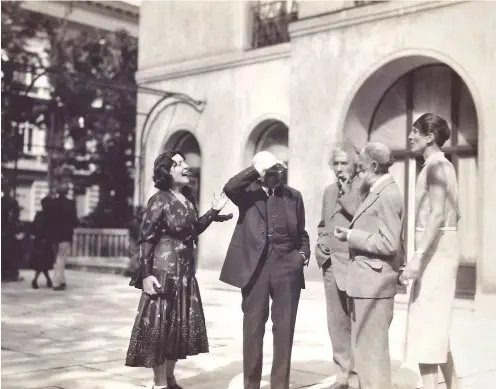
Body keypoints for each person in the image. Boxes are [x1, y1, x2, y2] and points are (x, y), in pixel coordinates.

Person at [125, 151, 231, 389]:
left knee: (176, 328)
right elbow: (146, 238)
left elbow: (192, 231)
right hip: (163, 272)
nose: (185, 166)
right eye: (178, 163)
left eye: (184, 162)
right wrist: (146, 274)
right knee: (161, 328)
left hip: (185, 273)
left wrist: (213, 212)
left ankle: (170, 378)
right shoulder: (159, 200)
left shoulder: (187, 197)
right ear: (167, 171)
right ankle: (159, 383)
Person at [220, 151, 311, 389]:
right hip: (255, 269)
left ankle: (280, 385)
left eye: (280, 169)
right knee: (253, 329)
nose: (277, 175)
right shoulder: (247, 195)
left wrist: (301, 256)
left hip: (287, 267)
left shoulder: (294, 196)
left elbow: (302, 233)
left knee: (284, 330)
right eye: (271, 171)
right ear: (261, 174)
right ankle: (252, 385)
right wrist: (256, 169)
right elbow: (229, 187)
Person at [334, 142, 405, 389]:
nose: (359, 174)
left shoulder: (387, 194)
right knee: (365, 357)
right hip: (366, 285)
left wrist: (352, 237)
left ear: (374, 166)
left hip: (374, 286)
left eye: (362, 169)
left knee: (373, 359)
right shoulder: (376, 190)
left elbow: (389, 243)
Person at [400, 113, 461, 389]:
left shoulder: (436, 167)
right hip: (442, 251)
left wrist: (418, 255)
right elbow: (454, 215)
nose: (410, 137)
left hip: (435, 255)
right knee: (436, 329)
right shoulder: (442, 166)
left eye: (415, 131)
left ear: (430, 137)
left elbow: (438, 215)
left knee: (426, 331)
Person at [315, 140, 362, 389]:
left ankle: (356, 377)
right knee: (336, 322)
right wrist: (321, 243)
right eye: (336, 163)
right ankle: (342, 375)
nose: (340, 168)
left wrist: (348, 193)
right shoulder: (328, 191)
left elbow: (361, 218)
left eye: (345, 163)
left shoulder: (364, 189)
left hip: (354, 264)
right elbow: (323, 224)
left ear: (356, 165)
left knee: (356, 321)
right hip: (331, 264)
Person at [46, 180, 79, 291]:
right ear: (66, 191)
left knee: (57, 257)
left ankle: (61, 280)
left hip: (53, 234)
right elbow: (74, 221)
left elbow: (48, 219)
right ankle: (57, 282)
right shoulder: (71, 203)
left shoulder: (52, 203)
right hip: (66, 234)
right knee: (62, 257)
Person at [30, 197, 55, 289]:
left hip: (38, 241)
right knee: (43, 262)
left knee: (41, 262)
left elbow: (33, 228)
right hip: (46, 241)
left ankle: (47, 280)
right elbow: (51, 230)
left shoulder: (39, 215)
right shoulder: (51, 216)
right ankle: (38, 280)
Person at [1, 180, 22, 282]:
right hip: (9, 230)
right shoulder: (12, 202)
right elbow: (15, 217)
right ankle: (11, 273)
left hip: (3, 229)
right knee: (11, 252)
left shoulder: (3, 201)